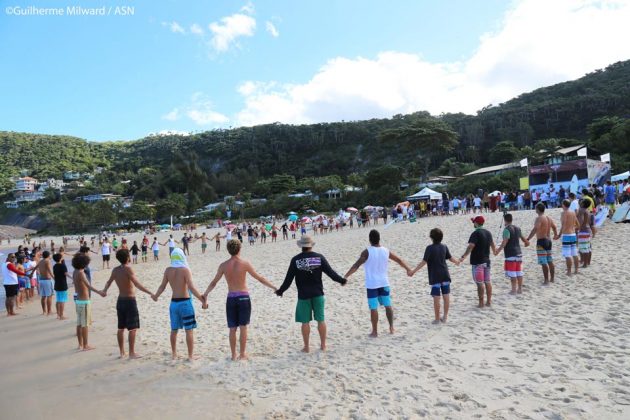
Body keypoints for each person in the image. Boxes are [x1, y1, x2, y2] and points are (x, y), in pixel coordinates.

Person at [203, 240, 277, 361]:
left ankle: (233, 355)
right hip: (243, 297)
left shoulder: (223, 265)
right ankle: (242, 354)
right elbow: (260, 278)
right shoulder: (245, 263)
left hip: (231, 297)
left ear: (228, 250)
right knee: (243, 327)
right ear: (240, 249)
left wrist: (206, 293)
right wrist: (274, 287)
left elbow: (214, 282)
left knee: (232, 328)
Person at [276, 236, 347, 352]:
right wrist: (342, 280)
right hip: (318, 293)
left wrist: (280, 291)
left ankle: (307, 347)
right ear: (311, 245)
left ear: (301, 246)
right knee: (321, 319)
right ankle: (323, 345)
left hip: (303, 296)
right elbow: (331, 273)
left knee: (305, 322)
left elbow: (288, 280)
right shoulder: (319, 258)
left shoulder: (295, 260)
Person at [344, 230, 412, 337]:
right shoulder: (386, 250)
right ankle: (391, 328)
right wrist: (408, 269)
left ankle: (375, 331)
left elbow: (356, 265)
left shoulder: (366, 252)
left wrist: (346, 276)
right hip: (384, 283)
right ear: (379, 238)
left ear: (370, 239)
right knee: (387, 305)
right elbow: (398, 260)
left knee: (373, 308)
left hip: (372, 285)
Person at [152, 248, 206, 361]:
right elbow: (191, 287)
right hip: (185, 303)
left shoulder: (168, 270)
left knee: (174, 330)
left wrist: (156, 295)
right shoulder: (185, 270)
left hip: (173, 304)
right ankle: (190, 356)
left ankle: (174, 354)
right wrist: (202, 300)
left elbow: (162, 286)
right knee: (189, 330)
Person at [101, 249, 155, 359]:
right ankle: (131, 353)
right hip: (130, 301)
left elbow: (108, 282)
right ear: (127, 257)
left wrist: (104, 290)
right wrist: (150, 293)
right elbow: (137, 284)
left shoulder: (115, 270)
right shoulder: (128, 269)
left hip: (120, 301)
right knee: (133, 328)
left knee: (121, 327)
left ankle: (122, 352)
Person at [409, 228, 459, 323]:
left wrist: (413, 271)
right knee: (446, 296)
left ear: (431, 238)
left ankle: (437, 319)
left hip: (435, 276)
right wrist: (457, 262)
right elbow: (450, 258)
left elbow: (424, 262)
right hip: (445, 274)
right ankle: (445, 317)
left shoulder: (429, 248)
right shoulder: (444, 246)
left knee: (436, 297)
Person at [458, 216, 497, 308]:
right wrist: (495, 251)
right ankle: (488, 302)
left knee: (480, 283)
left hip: (477, 262)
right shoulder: (488, 233)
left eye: (474, 222)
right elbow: (492, 245)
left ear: (476, 223)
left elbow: (471, 246)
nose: (473, 224)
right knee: (487, 281)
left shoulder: (475, 233)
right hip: (487, 261)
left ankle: (481, 303)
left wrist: (463, 256)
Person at [72, 253, 105, 351]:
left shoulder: (75, 271)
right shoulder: (81, 273)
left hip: (78, 300)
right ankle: (85, 345)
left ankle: (80, 344)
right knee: (84, 324)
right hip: (84, 301)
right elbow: (88, 286)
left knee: (79, 323)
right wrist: (99, 292)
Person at [494, 214, 529, 294]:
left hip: (510, 254)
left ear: (505, 220)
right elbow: (524, 239)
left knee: (512, 273)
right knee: (519, 272)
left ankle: (513, 290)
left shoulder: (506, 230)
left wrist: (498, 251)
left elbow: (505, 242)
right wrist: (527, 243)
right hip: (519, 253)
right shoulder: (518, 228)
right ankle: (519, 289)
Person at [526, 203, 558, 285]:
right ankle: (552, 279)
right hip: (548, 241)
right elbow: (554, 227)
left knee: (543, 262)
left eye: (535, 208)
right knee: (550, 260)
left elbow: (535, 229)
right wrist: (555, 234)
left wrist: (528, 238)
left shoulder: (539, 218)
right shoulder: (548, 218)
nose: (535, 209)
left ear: (538, 209)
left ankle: (546, 280)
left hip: (541, 241)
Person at [556, 199, 580, 276]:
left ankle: (569, 271)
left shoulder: (564, 213)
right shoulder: (573, 213)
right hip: (573, 234)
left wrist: (559, 235)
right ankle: (576, 270)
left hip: (566, 235)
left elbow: (563, 225)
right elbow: (578, 225)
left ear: (563, 205)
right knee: (574, 253)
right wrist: (572, 227)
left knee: (567, 255)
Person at [52, 253, 72, 320]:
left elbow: (54, 275)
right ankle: (61, 315)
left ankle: (58, 315)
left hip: (57, 284)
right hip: (62, 284)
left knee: (58, 300)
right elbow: (66, 274)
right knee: (62, 301)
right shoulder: (63, 266)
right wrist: (73, 278)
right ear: (60, 258)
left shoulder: (54, 266)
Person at [35, 250, 55, 315]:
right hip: (47, 280)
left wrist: (31, 273)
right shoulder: (47, 261)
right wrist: (54, 278)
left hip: (41, 280)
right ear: (48, 255)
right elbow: (49, 271)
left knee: (43, 296)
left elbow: (35, 267)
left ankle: (44, 311)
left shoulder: (40, 261)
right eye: (50, 255)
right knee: (49, 296)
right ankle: (49, 311)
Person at [577, 199, 594, 268]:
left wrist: (580, 227)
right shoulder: (587, 211)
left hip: (583, 231)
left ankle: (585, 264)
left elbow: (582, 221)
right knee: (588, 247)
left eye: (581, 202)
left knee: (584, 248)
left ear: (583, 204)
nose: (580, 202)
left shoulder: (581, 210)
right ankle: (588, 262)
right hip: (588, 230)